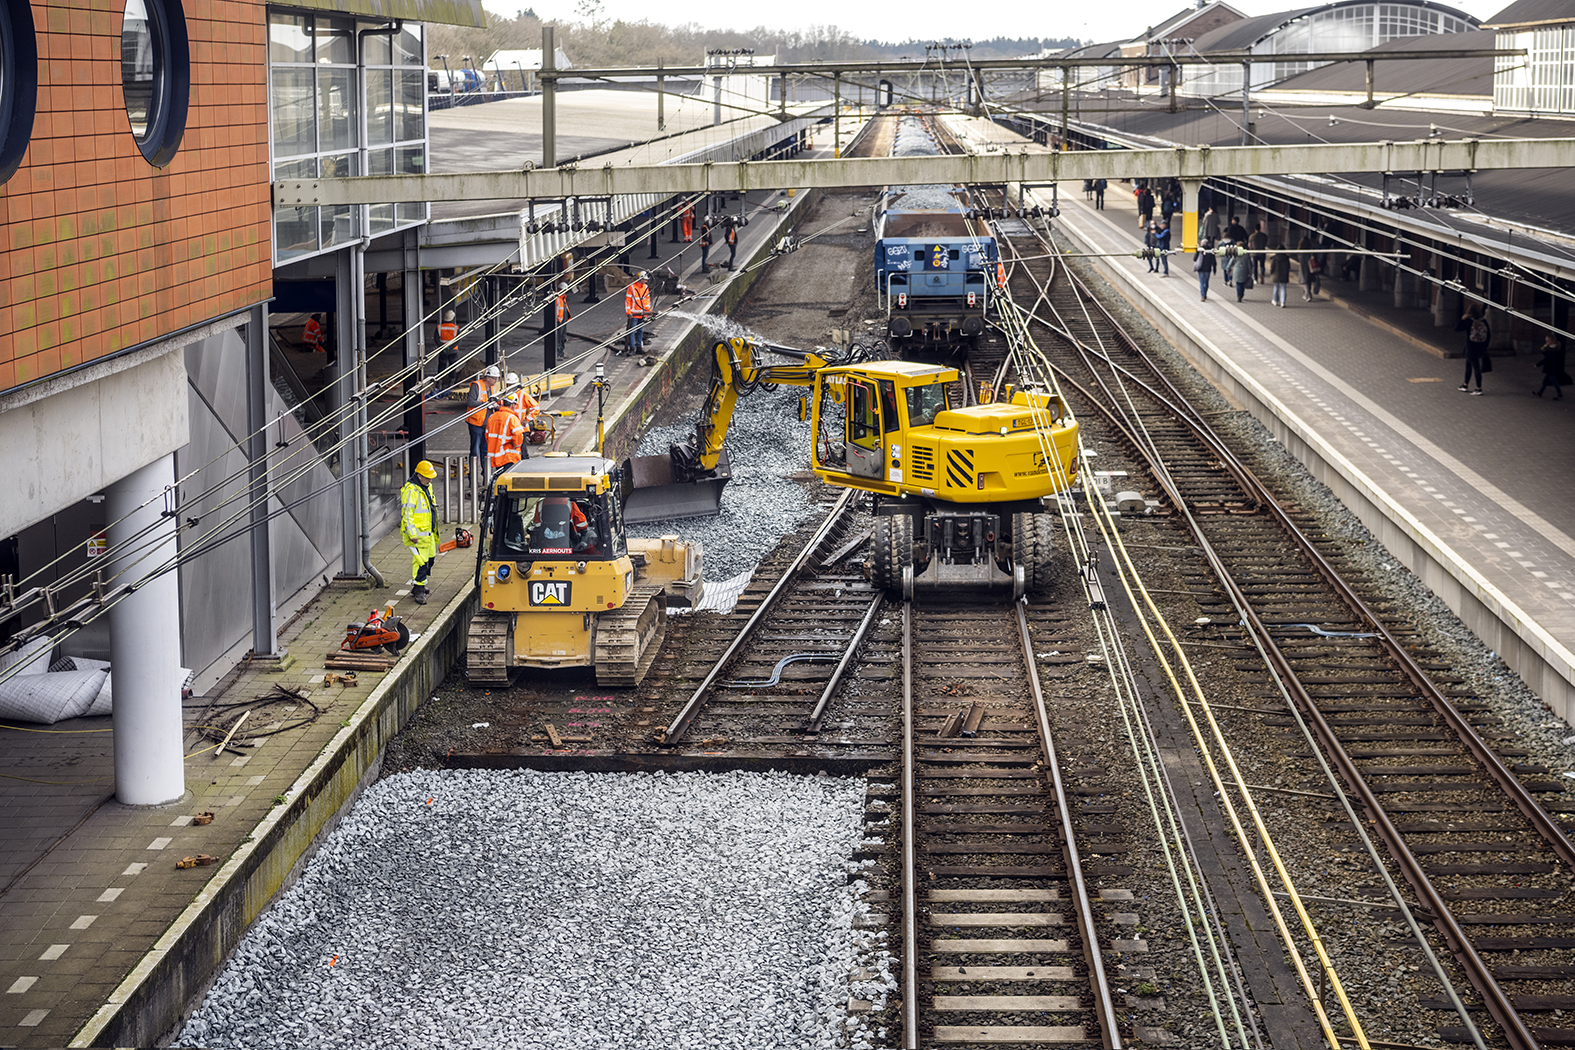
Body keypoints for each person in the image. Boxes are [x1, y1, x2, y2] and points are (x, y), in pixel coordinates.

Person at [400, 461, 438, 605]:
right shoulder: (411, 491)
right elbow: (406, 514)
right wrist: (412, 534)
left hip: (428, 533)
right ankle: (419, 590)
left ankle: (418, 585)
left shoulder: (427, 487)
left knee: (430, 559)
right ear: (419, 476)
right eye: (428, 477)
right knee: (421, 563)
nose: (430, 479)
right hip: (418, 536)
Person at [465, 364, 501, 461]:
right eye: (494, 378)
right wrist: (485, 404)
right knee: (475, 450)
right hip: (476, 423)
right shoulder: (476, 386)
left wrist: (497, 406)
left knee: (485, 450)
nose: (496, 381)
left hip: (487, 424)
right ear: (488, 378)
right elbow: (470, 402)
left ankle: (485, 473)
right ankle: (472, 474)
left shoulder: (493, 388)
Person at [485, 392, 526, 471]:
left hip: (496, 456)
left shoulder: (492, 416)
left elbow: (487, 435)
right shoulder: (512, 418)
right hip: (509, 457)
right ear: (512, 405)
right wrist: (517, 445)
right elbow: (518, 435)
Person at [1457, 305, 1491, 395]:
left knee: (1476, 367)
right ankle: (1465, 384)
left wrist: (1462, 319)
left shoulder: (1469, 321)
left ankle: (1478, 388)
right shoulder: (1484, 321)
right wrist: (1485, 346)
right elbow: (1488, 335)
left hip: (1470, 347)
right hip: (1480, 347)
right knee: (1468, 365)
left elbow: (1457, 329)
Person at [624, 270, 652, 354]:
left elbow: (647, 300)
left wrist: (648, 312)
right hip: (634, 314)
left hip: (642, 314)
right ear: (640, 279)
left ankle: (639, 348)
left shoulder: (645, 287)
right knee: (632, 332)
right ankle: (632, 348)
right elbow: (628, 301)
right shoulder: (631, 287)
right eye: (645, 279)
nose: (646, 281)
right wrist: (628, 312)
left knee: (640, 331)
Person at [1535, 332, 1566, 399]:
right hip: (1550, 367)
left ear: (1552, 341)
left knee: (1554, 381)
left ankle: (1559, 394)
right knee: (1545, 381)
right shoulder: (1550, 349)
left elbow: (1546, 359)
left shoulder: (1553, 350)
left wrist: (1537, 364)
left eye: (1548, 341)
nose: (1546, 342)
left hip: (1551, 368)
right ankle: (1540, 392)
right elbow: (1546, 355)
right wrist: (1544, 349)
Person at [551, 281, 572, 360]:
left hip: (563, 320)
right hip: (559, 321)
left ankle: (561, 353)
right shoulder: (557, 298)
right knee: (558, 338)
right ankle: (557, 354)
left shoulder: (562, 298)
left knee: (562, 337)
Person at [1297, 235, 1321, 301]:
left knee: (1305, 282)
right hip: (1310, 268)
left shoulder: (1300, 252)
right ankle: (1308, 294)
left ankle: (1307, 295)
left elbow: (1300, 259)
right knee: (1309, 281)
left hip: (1303, 268)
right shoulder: (1311, 250)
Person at [1269, 243, 1292, 307]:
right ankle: (1283, 302)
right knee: (1283, 288)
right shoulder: (1286, 258)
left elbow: (1272, 267)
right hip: (1284, 275)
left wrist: (1271, 273)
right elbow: (1288, 267)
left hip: (1276, 275)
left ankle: (1275, 301)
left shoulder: (1275, 258)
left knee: (1276, 288)